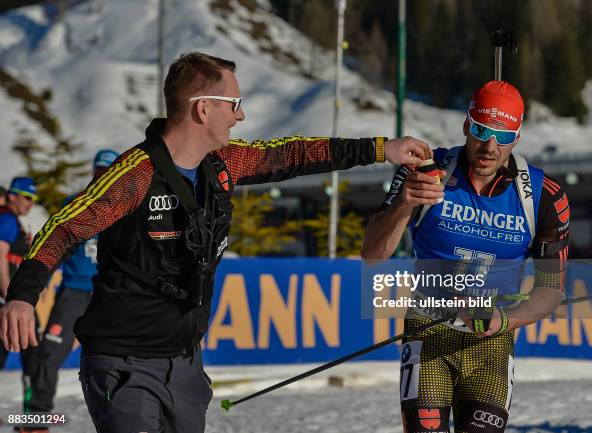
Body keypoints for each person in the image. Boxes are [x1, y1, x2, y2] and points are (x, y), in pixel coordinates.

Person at [0, 52, 429, 433]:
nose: (240, 115)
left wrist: (379, 148)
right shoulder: (136, 174)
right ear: (203, 109)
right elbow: (63, 226)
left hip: (185, 365)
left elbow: (293, 154)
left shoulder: (223, 162)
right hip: (124, 365)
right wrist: (22, 295)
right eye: (234, 104)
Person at [362, 81, 570, 433]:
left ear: (517, 137)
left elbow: (551, 290)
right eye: (481, 131)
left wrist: (504, 321)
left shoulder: (544, 196)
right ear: (466, 125)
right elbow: (372, 256)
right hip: (429, 334)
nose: (490, 147)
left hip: (492, 344)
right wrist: (404, 204)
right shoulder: (428, 172)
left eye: (503, 136)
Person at [25, 150, 119, 423]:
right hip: (74, 291)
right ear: (93, 171)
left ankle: (122, 418)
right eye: (99, 169)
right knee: (48, 354)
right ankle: (38, 419)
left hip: (108, 293)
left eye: (108, 170)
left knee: (119, 358)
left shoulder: (125, 205)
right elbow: (55, 245)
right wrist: (40, 277)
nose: (103, 175)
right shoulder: (75, 204)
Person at [0, 177, 40, 411]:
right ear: (12, 196)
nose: (30, 203)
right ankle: (32, 414)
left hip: (12, 298)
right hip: (9, 300)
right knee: (33, 352)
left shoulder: (12, 220)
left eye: (33, 199)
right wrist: (9, 294)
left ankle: (31, 412)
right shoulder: (7, 220)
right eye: (27, 197)